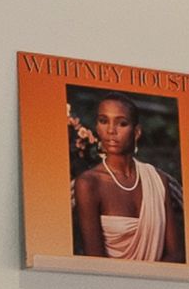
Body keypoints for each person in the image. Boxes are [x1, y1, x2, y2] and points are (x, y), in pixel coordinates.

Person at [67, 88, 176, 263]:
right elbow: (95, 261)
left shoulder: (157, 180)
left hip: (158, 286)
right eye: (103, 121)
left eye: (121, 123)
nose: (111, 130)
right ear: (97, 127)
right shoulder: (89, 183)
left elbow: (177, 253)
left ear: (136, 132)